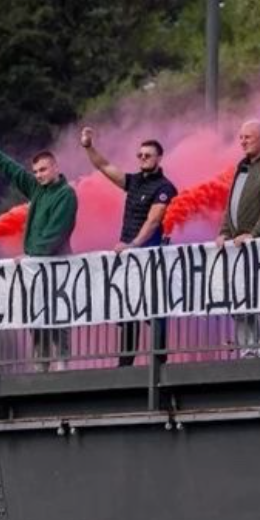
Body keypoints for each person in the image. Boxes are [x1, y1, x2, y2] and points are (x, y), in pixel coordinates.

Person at [0, 131, 78, 370]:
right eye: (36, 171)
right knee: (37, 316)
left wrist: (33, 256)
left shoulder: (66, 194)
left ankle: (63, 365)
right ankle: (41, 366)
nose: (38, 175)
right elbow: (16, 172)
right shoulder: (38, 190)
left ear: (55, 168)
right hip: (35, 268)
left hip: (57, 266)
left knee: (58, 314)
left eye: (43, 170)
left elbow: (57, 232)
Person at [81, 127, 177, 366]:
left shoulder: (165, 187)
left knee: (154, 311)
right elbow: (104, 166)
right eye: (140, 155)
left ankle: (159, 365)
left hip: (151, 259)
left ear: (159, 158)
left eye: (148, 155)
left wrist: (133, 244)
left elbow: (154, 220)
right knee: (128, 311)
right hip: (129, 259)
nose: (143, 158)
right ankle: (125, 365)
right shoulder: (133, 181)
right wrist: (88, 146)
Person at [217, 120, 260, 357]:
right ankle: (247, 349)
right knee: (240, 297)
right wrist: (224, 231)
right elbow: (231, 205)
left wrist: (255, 234)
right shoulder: (243, 166)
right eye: (241, 137)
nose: (243, 141)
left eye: (248, 137)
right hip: (240, 247)